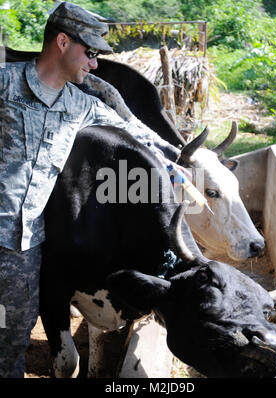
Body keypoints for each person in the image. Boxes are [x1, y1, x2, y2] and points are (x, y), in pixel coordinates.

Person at [0, 1, 187, 377]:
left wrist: (177, 163)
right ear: (63, 42)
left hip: (23, 249)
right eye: (91, 52)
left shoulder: (81, 106)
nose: (95, 63)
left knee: (11, 343)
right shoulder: (4, 84)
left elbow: (136, 135)